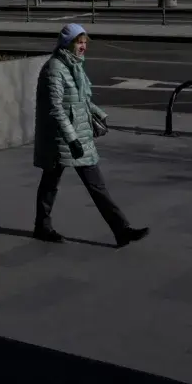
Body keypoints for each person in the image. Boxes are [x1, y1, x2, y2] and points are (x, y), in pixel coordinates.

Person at [32, 23, 148, 247]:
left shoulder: (73, 65)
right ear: (68, 44)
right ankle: (42, 226)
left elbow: (81, 100)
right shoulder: (55, 69)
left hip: (79, 135)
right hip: (60, 139)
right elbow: (55, 108)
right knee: (50, 183)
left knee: (95, 185)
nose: (83, 46)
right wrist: (72, 139)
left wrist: (99, 114)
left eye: (85, 42)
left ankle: (121, 230)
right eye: (79, 42)